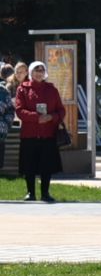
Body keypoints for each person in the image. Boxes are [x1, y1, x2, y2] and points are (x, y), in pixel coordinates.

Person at [14, 61, 67, 203]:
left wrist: (52, 117)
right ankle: (30, 193)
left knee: (46, 165)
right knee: (29, 165)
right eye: (36, 71)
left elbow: (61, 110)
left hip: (48, 134)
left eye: (41, 71)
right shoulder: (22, 89)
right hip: (29, 134)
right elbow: (19, 110)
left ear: (45, 73)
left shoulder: (52, 89)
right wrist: (37, 118)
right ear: (31, 73)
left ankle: (45, 193)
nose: (39, 73)